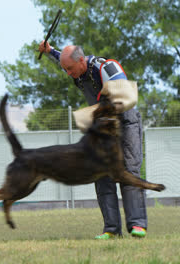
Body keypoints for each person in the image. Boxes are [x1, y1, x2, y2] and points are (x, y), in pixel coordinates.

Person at [39, 41, 147, 239]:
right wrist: (50, 51)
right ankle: (112, 229)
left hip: (125, 122)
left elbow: (123, 93)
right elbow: (63, 61)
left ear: (81, 60)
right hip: (103, 126)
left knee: (129, 170)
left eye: (70, 69)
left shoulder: (106, 67)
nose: (68, 73)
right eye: (66, 70)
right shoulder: (77, 70)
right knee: (102, 175)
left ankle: (137, 225)